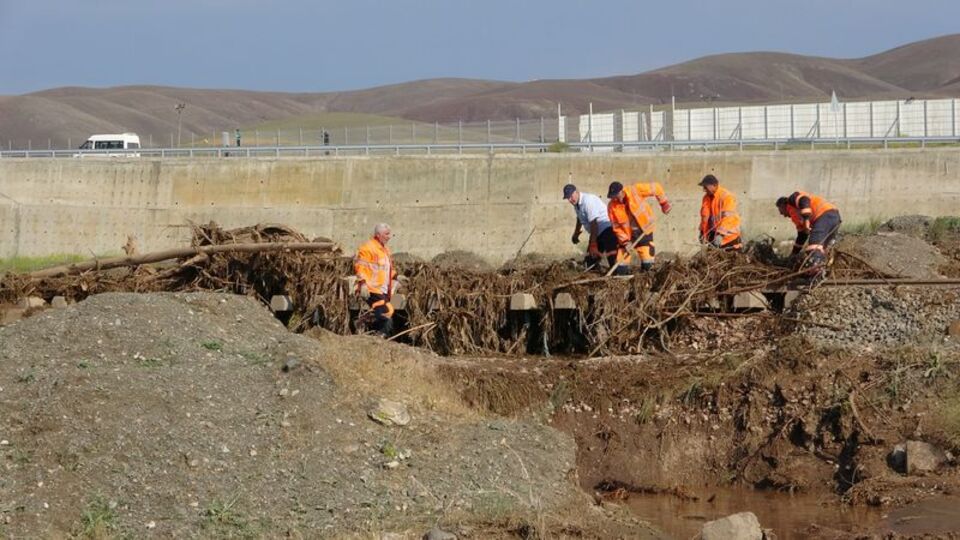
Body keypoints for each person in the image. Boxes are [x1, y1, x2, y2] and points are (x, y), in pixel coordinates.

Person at [606, 180, 672, 274]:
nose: (615, 199)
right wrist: (625, 242)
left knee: (648, 265)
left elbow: (656, 188)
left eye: (617, 196)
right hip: (627, 237)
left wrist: (664, 203)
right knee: (621, 267)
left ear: (621, 191)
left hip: (644, 232)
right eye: (613, 197)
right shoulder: (611, 206)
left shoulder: (635, 190)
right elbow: (617, 228)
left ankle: (647, 284)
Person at [776, 191, 842, 274]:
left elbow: (804, 200)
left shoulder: (792, 199)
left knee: (814, 244)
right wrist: (793, 254)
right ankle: (823, 270)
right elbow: (802, 236)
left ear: (783, 205)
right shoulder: (795, 216)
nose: (782, 215)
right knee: (822, 248)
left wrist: (806, 219)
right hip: (833, 218)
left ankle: (815, 271)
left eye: (781, 211)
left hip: (825, 214)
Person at [353, 223, 397, 337]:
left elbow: (386, 269)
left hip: (382, 289)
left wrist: (396, 277)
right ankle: (379, 335)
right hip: (371, 288)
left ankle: (362, 324)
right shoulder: (367, 248)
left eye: (389, 234)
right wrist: (362, 284)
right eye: (386, 234)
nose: (389, 236)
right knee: (386, 311)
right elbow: (360, 267)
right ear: (378, 235)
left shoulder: (385, 250)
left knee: (387, 311)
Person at [563, 183, 617, 271]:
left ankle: (620, 274)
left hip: (607, 230)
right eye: (567, 198)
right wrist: (576, 233)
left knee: (613, 261)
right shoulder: (576, 204)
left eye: (571, 196)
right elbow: (579, 219)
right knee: (589, 264)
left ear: (576, 192)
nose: (570, 200)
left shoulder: (587, 201)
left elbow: (594, 224)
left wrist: (593, 244)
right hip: (597, 233)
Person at [698, 174, 742, 251]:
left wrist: (720, 235)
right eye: (703, 187)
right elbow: (704, 218)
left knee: (733, 262)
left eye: (706, 187)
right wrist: (703, 233)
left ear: (714, 185)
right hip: (714, 236)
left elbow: (729, 218)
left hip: (729, 238)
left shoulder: (726, 196)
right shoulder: (706, 198)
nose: (704, 189)